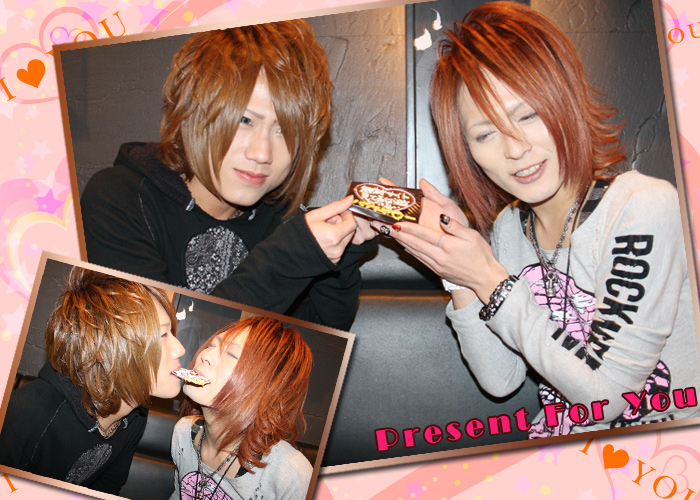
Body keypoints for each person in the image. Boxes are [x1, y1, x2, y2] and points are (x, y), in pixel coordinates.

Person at [383, 1, 700, 437]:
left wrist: (490, 279)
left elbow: (607, 401)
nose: (515, 149)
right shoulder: (511, 228)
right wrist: (457, 272)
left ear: (563, 98)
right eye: (485, 134)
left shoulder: (642, 207)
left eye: (527, 115)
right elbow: (500, 380)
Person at [80, 21, 376, 332]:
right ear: (191, 111)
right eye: (245, 120)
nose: (262, 153)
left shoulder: (281, 222)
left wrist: (339, 257)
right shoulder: (120, 199)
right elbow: (156, 350)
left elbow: (315, 341)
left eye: (285, 130)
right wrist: (291, 255)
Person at [0, 267, 186, 493]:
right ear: (106, 350)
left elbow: (107, 486)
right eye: (163, 335)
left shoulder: (136, 413)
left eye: (171, 333)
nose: (180, 349)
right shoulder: (27, 414)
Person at [170, 316, 313, 500]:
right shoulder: (183, 433)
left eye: (231, 354)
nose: (205, 355)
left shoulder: (290, 474)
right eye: (211, 345)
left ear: (266, 387)